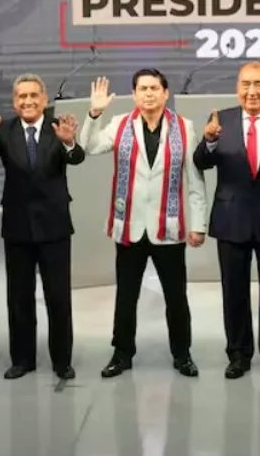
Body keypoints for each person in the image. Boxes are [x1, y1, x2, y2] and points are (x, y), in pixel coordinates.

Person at [79, 71, 207, 378]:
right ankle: (121, 354)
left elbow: (195, 179)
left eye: (154, 88)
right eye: (142, 89)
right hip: (130, 226)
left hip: (168, 226)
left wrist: (199, 223)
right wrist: (94, 113)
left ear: (165, 93)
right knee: (126, 296)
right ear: (134, 94)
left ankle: (182, 354)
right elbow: (89, 146)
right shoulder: (120, 124)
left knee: (176, 297)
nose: (148, 94)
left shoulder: (184, 128)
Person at [192, 61, 260, 381]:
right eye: (246, 84)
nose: (252, 91)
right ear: (237, 88)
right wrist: (209, 140)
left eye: (258, 84)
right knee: (234, 292)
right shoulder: (221, 120)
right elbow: (201, 162)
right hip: (231, 220)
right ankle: (238, 354)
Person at [0, 75, 83, 381]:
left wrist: (69, 142)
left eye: (34, 95)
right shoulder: (5, 130)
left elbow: (76, 157)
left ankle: (62, 361)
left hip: (54, 227)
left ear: (45, 99)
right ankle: (22, 360)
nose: (28, 101)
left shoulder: (58, 127)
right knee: (19, 298)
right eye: (22, 96)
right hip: (18, 227)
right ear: (14, 102)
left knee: (58, 298)